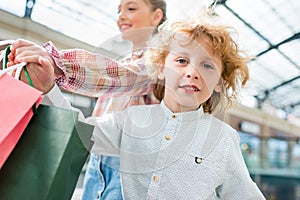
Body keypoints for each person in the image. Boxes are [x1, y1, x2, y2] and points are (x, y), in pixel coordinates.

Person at [8, 0, 167, 199]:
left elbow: (122, 75)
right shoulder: (124, 61)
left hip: (127, 167)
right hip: (97, 162)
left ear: (156, 16)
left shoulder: (160, 64)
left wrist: (56, 62)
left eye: (131, 8)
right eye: (119, 11)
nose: (121, 16)